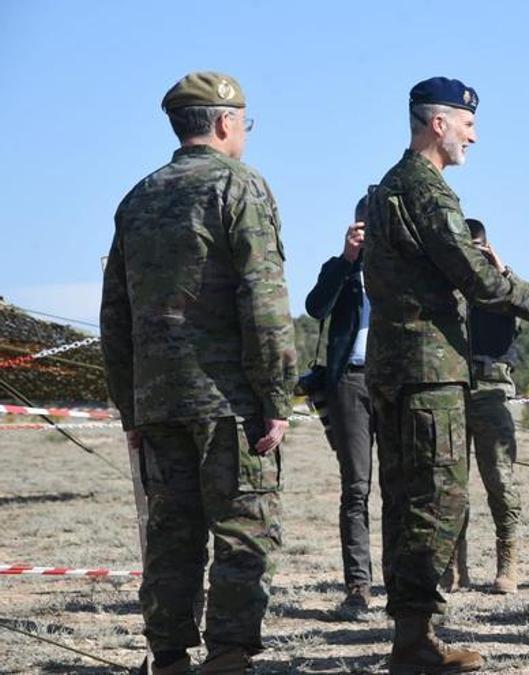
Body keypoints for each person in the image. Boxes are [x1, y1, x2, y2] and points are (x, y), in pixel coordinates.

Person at [364, 76, 529, 674]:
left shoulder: (391, 186)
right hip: (427, 373)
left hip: (398, 371)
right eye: (467, 121)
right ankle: (415, 640)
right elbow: (478, 278)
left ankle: (412, 634)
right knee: (435, 504)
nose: (474, 133)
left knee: (405, 501)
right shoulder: (426, 189)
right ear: (437, 123)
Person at [100, 71, 296, 675]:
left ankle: (168, 657)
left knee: (171, 535)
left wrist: (132, 410)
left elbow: (115, 317)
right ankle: (230, 658)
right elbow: (264, 301)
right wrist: (277, 396)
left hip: (159, 402)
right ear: (224, 122)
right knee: (241, 535)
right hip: (228, 402)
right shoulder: (240, 187)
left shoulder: (137, 198)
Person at [304, 192, 377, 615]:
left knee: (404, 487)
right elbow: (317, 307)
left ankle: (408, 582)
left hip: (395, 378)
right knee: (356, 487)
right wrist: (347, 259)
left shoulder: (406, 269)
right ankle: (358, 586)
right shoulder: (342, 269)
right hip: (350, 380)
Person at [462, 217, 525, 595]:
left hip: (492, 387)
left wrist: (500, 269)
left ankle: (508, 559)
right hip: (453, 386)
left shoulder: (500, 289)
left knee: (500, 480)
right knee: (449, 486)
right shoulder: (448, 287)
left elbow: (521, 304)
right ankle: (456, 564)